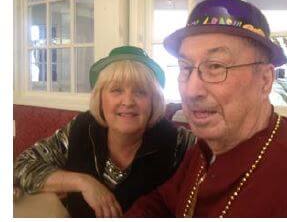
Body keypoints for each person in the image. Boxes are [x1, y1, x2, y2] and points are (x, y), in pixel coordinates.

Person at [126, 0, 287, 217]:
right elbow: (162, 202)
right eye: (186, 68)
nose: (192, 90)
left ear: (264, 80)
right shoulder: (205, 147)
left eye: (215, 66)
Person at [13, 47, 194, 217]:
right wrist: (83, 182)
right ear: (100, 98)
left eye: (140, 92)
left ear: (154, 101)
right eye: (116, 90)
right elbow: (22, 166)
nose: (128, 101)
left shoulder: (177, 142)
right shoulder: (81, 129)